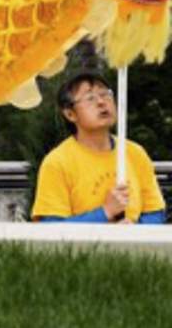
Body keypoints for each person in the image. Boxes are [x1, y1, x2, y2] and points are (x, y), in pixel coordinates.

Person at [32, 65, 166, 224]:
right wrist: (105, 212)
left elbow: (155, 211)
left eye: (105, 94)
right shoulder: (57, 163)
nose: (102, 102)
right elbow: (51, 228)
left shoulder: (135, 153)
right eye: (90, 98)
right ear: (70, 114)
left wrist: (135, 233)